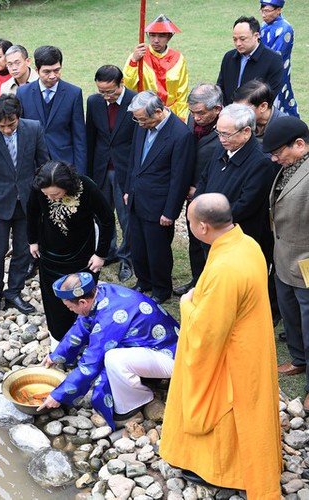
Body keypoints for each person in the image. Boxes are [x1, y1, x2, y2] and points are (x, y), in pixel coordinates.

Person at [160, 193, 281, 495]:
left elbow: (208, 332)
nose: (188, 227)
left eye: (188, 222)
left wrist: (187, 306)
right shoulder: (246, 243)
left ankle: (226, 471)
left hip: (234, 354)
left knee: (226, 410)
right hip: (254, 342)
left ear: (202, 227)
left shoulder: (226, 267)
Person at [36, 272, 179, 430]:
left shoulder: (110, 317)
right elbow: (81, 327)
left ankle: (133, 405)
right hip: (158, 346)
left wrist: (59, 395)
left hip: (173, 358)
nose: (70, 310)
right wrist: (57, 356)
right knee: (110, 357)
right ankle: (144, 381)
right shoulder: (100, 293)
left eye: (70, 307)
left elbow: (91, 363)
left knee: (112, 358)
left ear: (82, 302)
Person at [0, 95, 50, 314]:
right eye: (1, 126)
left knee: (23, 252)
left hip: (28, 203)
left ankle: (14, 292)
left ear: (19, 116)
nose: (7, 130)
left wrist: (43, 203)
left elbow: (43, 165)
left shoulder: (34, 129)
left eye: (11, 125)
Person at [27, 161, 114, 344]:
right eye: (46, 195)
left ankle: (84, 340)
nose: (50, 198)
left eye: (56, 194)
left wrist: (100, 254)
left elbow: (106, 219)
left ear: (66, 186)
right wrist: (32, 240)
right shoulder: (39, 187)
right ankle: (58, 340)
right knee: (53, 301)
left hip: (82, 255)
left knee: (82, 299)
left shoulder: (86, 186)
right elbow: (33, 211)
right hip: (49, 254)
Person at [123, 91, 194, 303]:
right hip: (136, 198)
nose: (139, 123)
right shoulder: (142, 126)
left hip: (159, 205)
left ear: (158, 111)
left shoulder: (180, 134)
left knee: (158, 251)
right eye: (137, 119)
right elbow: (134, 160)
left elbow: (179, 177)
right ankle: (143, 281)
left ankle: (161, 289)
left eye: (142, 119)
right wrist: (128, 189)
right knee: (138, 246)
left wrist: (170, 211)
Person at [263, 117, 309, 407]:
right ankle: (299, 359)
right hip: (283, 259)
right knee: (291, 316)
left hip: (306, 263)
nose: (274, 158)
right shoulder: (287, 167)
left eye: (278, 152)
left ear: (300, 145)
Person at [195, 104, 275, 260]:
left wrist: (211, 219)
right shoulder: (222, 147)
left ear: (246, 132)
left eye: (226, 134)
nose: (221, 139)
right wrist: (199, 208)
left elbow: (246, 205)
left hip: (235, 241)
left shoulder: (260, 163)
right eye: (218, 133)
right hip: (211, 232)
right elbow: (204, 180)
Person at [86, 65, 137, 282]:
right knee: (103, 214)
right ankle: (109, 250)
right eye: (102, 92)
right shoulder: (94, 102)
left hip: (125, 170)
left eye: (111, 92)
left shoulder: (135, 102)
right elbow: (90, 136)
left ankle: (128, 258)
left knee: (126, 217)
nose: (106, 96)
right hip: (100, 168)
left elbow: (138, 142)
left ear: (121, 84)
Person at [175, 83, 223, 295]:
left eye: (201, 113)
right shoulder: (191, 121)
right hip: (190, 195)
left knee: (212, 246)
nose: (196, 117)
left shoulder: (227, 130)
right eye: (192, 112)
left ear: (218, 109)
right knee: (195, 241)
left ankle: (212, 288)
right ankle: (197, 281)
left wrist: (200, 190)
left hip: (214, 197)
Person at [16, 45, 86, 173]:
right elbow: (20, 132)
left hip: (64, 163)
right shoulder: (22, 93)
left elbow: (79, 136)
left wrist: (80, 174)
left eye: (57, 70)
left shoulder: (74, 93)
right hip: (33, 164)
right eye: (47, 72)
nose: (53, 76)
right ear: (37, 70)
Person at [123, 14, 190, 122]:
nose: (156, 40)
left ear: (169, 37)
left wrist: (180, 118)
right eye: (152, 35)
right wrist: (134, 61)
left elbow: (182, 93)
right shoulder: (139, 55)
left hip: (169, 113)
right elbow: (128, 86)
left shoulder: (178, 58)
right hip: (144, 113)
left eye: (161, 36)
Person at [217, 16, 283, 106]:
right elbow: (220, 88)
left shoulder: (274, 60)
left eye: (243, 39)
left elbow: (270, 96)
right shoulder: (228, 57)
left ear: (256, 36)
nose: (238, 43)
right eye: (234, 39)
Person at [260, 0, 299, 117]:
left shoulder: (285, 29)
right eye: (262, 11)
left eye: (267, 11)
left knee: (278, 102)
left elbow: (276, 56)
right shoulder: (264, 24)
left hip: (276, 72)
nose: (263, 15)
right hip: (263, 70)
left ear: (278, 10)